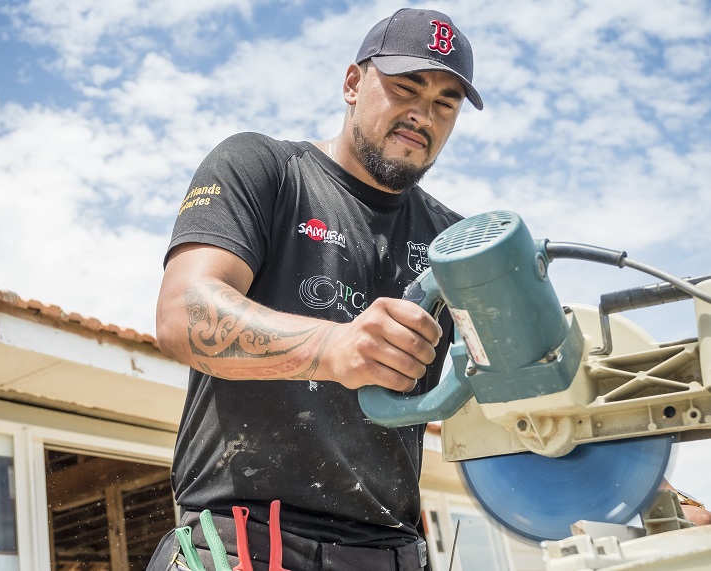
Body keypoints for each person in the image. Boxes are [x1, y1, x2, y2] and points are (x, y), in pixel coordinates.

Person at [148, 8, 481, 571]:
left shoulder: (454, 241)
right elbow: (182, 314)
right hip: (243, 542)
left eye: (444, 104)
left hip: (388, 552)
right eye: (405, 88)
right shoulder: (264, 169)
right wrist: (333, 348)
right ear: (353, 83)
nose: (422, 115)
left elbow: (520, 394)